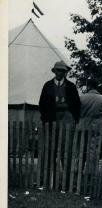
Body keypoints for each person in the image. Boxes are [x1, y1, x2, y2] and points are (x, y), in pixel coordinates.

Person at [38, 61, 80, 191]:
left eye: (63, 71)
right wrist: (46, 120)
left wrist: (73, 119)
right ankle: (45, 182)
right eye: (58, 70)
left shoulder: (71, 87)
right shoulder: (47, 86)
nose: (60, 73)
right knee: (49, 152)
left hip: (67, 122)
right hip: (51, 123)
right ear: (54, 71)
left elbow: (77, 105)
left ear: (66, 72)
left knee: (65, 153)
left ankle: (66, 184)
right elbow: (42, 104)